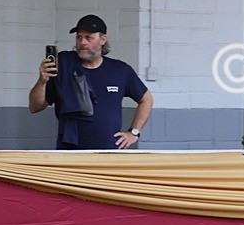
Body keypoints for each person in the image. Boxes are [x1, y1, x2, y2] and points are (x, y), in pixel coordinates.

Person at [29, 14, 153, 150]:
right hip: (69, 151)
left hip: (109, 151)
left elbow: (146, 99)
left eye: (89, 37)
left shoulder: (120, 70)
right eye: (79, 37)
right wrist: (42, 81)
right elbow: (35, 107)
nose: (82, 42)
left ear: (103, 40)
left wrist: (134, 132)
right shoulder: (63, 65)